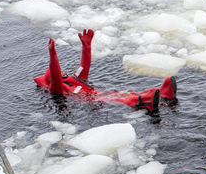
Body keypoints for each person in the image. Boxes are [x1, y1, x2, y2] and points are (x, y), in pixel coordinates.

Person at [33, 30, 177, 114]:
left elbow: (84, 65)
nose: (62, 71)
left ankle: (164, 92)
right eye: (59, 70)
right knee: (121, 99)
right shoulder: (57, 89)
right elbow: (55, 75)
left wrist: (86, 46)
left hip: (100, 95)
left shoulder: (74, 79)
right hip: (94, 101)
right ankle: (145, 101)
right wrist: (53, 55)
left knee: (127, 93)